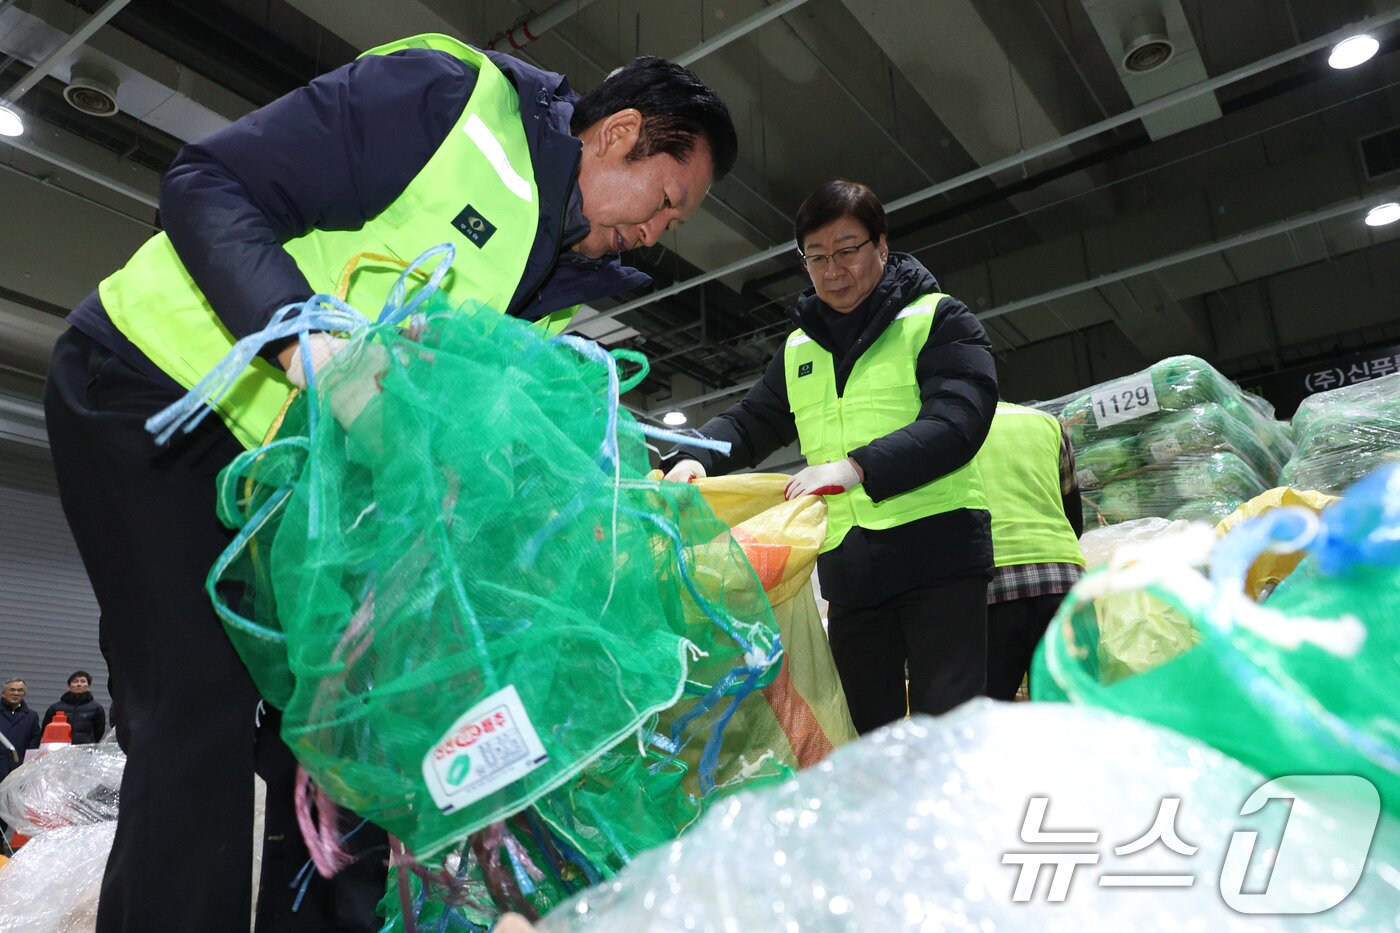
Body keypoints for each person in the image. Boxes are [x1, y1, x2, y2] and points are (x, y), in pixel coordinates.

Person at [42, 33, 737, 933]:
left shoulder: (552, 282)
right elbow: (207, 182)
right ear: (621, 134)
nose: (655, 233)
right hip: (157, 388)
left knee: (346, 742)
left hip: (285, 491)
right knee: (197, 703)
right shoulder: (447, 98)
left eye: (671, 227)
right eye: (666, 201)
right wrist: (303, 338)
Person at [661, 179, 997, 735]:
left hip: (938, 558)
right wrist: (698, 457)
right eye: (816, 257)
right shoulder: (800, 347)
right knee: (865, 738)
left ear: (881, 248)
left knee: (951, 733)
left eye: (846, 251)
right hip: (851, 574)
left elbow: (958, 421)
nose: (832, 270)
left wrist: (854, 468)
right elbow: (752, 420)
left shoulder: (936, 319)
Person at [978, 402, 1086, 700]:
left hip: (991, 585)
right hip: (1063, 578)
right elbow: (1073, 515)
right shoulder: (1047, 423)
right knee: (1070, 706)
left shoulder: (950, 431)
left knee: (989, 716)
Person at [42, 670, 107, 744]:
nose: (79, 684)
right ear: (69, 687)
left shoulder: (96, 708)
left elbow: (98, 732)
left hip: (85, 750)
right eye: (75, 681)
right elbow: (46, 730)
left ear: (88, 686)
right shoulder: (55, 708)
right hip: (60, 749)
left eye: (83, 681)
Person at [1, 678, 41, 782]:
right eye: (12, 690)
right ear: (3, 693)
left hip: (19, 770)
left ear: (24, 694)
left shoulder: (32, 716)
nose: (16, 693)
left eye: (20, 690)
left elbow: (34, 742)